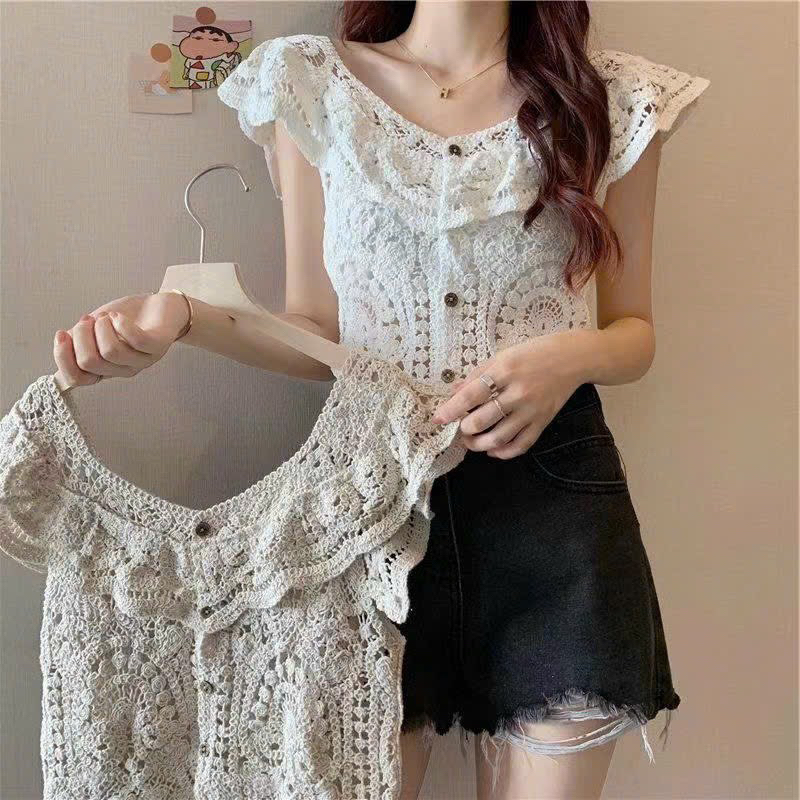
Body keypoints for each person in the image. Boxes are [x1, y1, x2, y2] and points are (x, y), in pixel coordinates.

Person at [51, 2, 709, 798]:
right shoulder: (312, 82)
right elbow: (316, 328)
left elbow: (634, 331)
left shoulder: (613, 98)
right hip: (369, 503)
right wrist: (186, 320)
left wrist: (568, 356)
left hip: (555, 508)